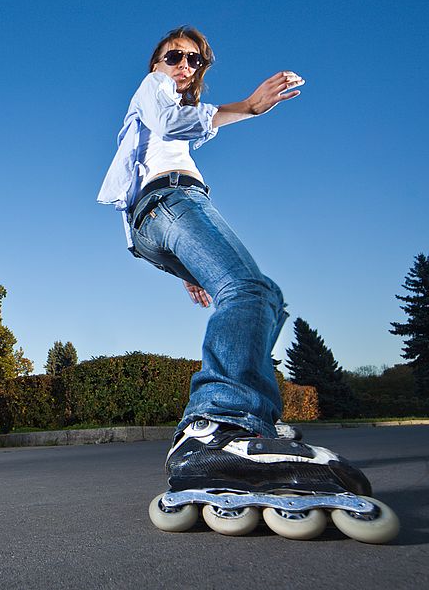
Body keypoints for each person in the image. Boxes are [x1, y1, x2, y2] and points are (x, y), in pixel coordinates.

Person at [97, 26, 303, 441]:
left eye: (195, 60)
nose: (185, 65)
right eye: (175, 56)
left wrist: (189, 271)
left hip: (153, 225)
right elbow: (172, 123)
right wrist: (247, 105)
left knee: (269, 297)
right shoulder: (153, 86)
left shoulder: (169, 106)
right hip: (171, 201)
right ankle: (220, 420)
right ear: (157, 63)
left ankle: (253, 420)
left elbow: (185, 126)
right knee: (247, 290)